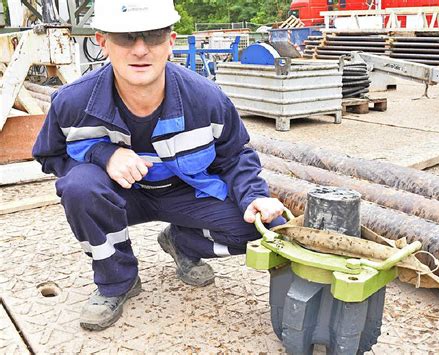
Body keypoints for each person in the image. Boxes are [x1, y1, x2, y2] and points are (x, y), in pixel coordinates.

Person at [32, 0, 285, 331]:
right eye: (126, 37)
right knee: (79, 188)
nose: (140, 50)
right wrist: (103, 155)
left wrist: (255, 195)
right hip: (120, 198)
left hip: (184, 193)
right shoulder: (73, 102)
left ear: (170, 41)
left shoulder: (206, 99)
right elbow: (50, 155)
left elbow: (235, 155)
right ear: (102, 41)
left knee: (265, 227)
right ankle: (116, 282)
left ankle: (181, 242)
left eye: (152, 36)